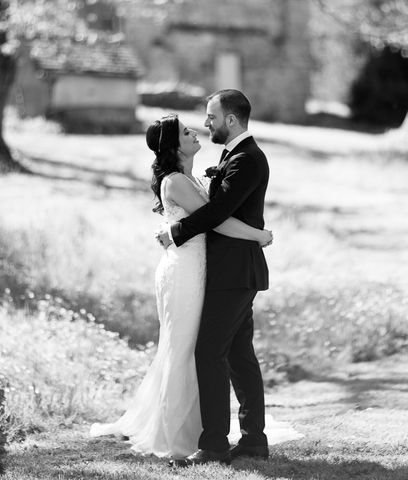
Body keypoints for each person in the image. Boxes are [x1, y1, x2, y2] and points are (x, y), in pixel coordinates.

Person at [89, 114, 273, 459]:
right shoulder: (176, 182)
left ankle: (224, 435)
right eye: (186, 132)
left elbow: (214, 215)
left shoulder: (191, 178)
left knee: (207, 349)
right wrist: (260, 235)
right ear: (174, 146)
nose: (196, 131)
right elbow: (216, 221)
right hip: (185, 273)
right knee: (187, 348)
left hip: (206, 271)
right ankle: (185, 434)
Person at [155, 90, 277, 467]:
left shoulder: (247, 159)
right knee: (240, 355)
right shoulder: (234, 157)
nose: (206, 124)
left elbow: (219, 212)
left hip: (234, 272)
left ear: (231, 120)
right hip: (229, 271)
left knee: (209, 352)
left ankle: (213, 445)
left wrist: (177, 232)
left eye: (211, 117)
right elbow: (218, 211)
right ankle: (253, 440)